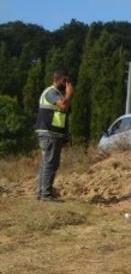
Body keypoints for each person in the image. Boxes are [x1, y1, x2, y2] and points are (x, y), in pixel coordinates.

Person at [35, 70, 73, 202]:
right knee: (50, 164)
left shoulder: (58, 94)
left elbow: (62, 115)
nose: (67, 84)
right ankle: (46, 195)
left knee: (47, 164)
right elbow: (63, 106)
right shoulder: (51, 93)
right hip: (49, 134)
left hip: (54, 134)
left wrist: (64, 136)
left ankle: (42, 193)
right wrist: (69, 94)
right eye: (65, 81)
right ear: (57, 80)